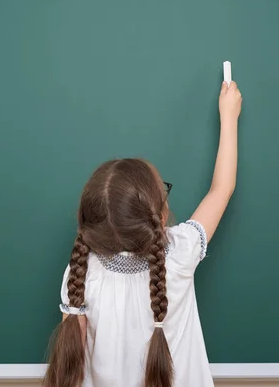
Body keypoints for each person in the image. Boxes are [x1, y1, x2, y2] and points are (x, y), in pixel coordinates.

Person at [44, 80, 242, 387]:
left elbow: (73, 364)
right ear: (161, 218)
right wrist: (229, 117)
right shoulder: (179, 252)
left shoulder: (80, 273)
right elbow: (221, 191)